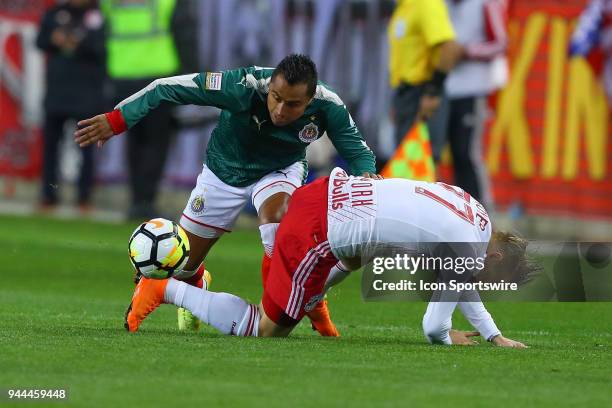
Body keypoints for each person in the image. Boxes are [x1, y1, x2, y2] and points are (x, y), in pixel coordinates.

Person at [74, 54, 379, 336]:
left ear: (310, 99)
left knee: (278, 221)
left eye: (293, 105)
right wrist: (117, 119)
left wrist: (368, 179)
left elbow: (359, 154)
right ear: (269, 86)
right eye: (276, 98)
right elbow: (164, 87)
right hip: (222, 173)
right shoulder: (241, 86)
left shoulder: (329, 105)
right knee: (183, 267)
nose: (280, 110)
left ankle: (286, 307)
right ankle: (197, 283)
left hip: (278, 172)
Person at [124, 167, 530, 348]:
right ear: (493, 254)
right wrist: (448, 337)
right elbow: (433, 325)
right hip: (317, 232)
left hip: (324, 192)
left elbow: (460, 281)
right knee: (266, 329)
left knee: (365, 251)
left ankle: (312, 301)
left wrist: (492, 334)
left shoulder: (473, 210)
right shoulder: (466, 250)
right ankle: (166, 288)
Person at [100, 0, 197, 220]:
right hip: (158, 79)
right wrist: (190, 77)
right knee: (156, 142)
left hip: (121, 76)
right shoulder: (166, 2)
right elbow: (185, 36)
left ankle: (137, 201)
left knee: (134, 142)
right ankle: (146, 201)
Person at [427, 0, 508, 204]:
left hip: (472, 89)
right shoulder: (437, 4)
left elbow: (500, 44)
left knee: (465, 154)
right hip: (443, 89)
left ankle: (482, 214)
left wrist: (467, 51)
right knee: (431, 154)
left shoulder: (486, 3)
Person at [36, 0, 106, 211]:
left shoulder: (98, 15)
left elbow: (102, 48)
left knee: (86, 147)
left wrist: (78, 42)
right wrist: (54, 39)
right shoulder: (55, 13)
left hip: (86, 93)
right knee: (50, 146)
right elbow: (40, 41)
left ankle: (84, 197)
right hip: (57, 91)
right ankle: (48, 194)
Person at [387, 0, 465, 147]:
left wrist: (433, 91)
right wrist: (397, 100)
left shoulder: (426, 3)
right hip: (405, 95)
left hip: (422, 95)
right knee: (405, 163)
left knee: (420, 163)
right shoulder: (403, 6)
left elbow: (449, 48)